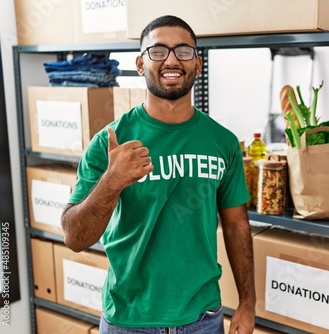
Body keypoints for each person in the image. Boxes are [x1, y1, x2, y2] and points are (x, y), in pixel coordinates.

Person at [61, 15, 256, 334]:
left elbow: (236, 224)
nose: (171, 59)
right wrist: (112, 181)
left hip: (202, 319)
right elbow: (75, 238)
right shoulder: (111, 141)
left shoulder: (223, 142)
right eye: (158, 50)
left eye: (183, 51)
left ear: (198, 64)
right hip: (129, 320)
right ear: (140, 64)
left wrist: (248, 304)